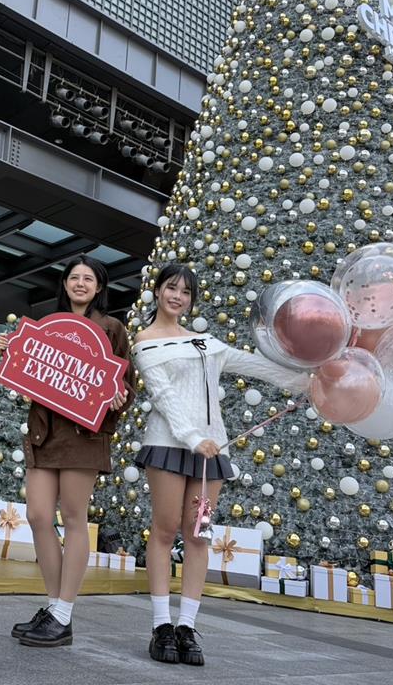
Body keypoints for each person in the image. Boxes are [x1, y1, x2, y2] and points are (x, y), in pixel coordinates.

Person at [132, 262, 308, 666]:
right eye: (171, 288)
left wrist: (308, 381)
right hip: (170, 444)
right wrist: (194, 438)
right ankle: (161, 625)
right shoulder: (145, 340)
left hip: (213, 451)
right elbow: (164, 397)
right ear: (157, 291)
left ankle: (187, 627)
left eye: (186, 292)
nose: (177, 296)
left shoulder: (206, 342)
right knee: (163, 530)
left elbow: (255, 365)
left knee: (199, 534)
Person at [0, 255, 133, 647]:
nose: (80, 283)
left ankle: (62, 613)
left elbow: (126, 386)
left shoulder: (112, 329)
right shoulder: (45, 325)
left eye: (88, 278)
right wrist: (13, 350)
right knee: (38, 514)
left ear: (99, 287)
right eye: (74, 277)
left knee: (74, 518)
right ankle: (55, 608)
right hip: (44, 434)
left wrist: (118, 399)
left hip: (83, 437)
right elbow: (30, 372)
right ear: (65, 284)